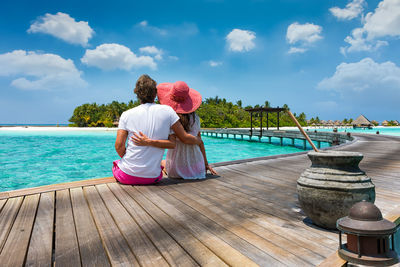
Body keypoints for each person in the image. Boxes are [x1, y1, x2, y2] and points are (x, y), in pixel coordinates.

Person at [113, 75, 201, 185]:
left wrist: (132, 161)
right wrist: (198, 140)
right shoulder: (168, 111)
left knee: (116, 164)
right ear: (155, 94)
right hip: (153, 177)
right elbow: (179, 139)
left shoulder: (126, 114)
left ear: (137, 93)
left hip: (127, 176)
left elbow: (119, 146)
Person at [133, 81, 217, 179]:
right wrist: (206, 164)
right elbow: (200, 142)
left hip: (176, 170)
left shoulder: (170, 119)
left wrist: (148, 142)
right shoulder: (196, 118)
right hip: (197, 169)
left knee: (161, 162)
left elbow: (173, 142)